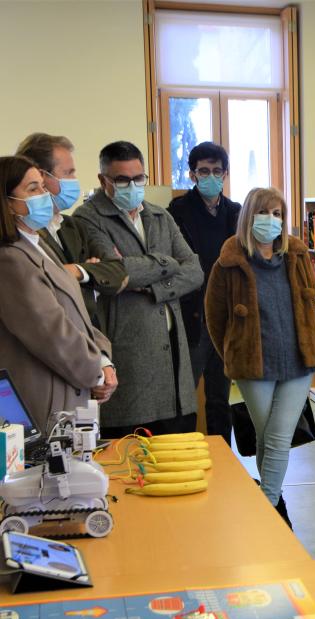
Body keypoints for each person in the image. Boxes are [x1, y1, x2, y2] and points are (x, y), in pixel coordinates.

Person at [204, 187, 315, 527]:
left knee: (279, 434)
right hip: (253, 366)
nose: (272, 221)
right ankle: (273, 499)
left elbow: (308, 304)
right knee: (266, 433)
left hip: (298, 362)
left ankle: (268, 505)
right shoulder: (228, 264)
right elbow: (215, 318)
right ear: (248, 217)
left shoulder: (297, 256)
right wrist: (233, 352)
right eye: (264, 213)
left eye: (278, 214)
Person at [74, 141, 203, 438]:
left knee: (177, 455)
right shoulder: (88, 218)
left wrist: (153, 287)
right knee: (132, 461)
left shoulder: (159, 215)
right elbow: (112, 273)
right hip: (129, 358)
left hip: (173, 359)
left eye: (138, 178)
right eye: (122, 180)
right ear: (103, 180)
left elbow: (194, 271)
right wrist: (167, 262)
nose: (132, 186)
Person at [0, 155, 116, 434]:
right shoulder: (10, 260)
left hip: (71, 389)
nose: (45, 194)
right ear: (7, 202)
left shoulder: (38, 245)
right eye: (33, 189)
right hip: (44, 398)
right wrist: (96, 373)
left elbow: (78, 316)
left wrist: (104, 360)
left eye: (42, 186)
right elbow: (51, 331)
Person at [168, 142, 241, 443]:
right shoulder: (178, 211)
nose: (210, 176)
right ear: (192, 174)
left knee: (219, 397)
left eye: (216, 171)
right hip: (192, 318)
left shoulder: (235, 212)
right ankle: (185, 452)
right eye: (203, 171)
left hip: (225, 320)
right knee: (186, 397)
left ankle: (222, 457)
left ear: (225, 174)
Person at [15, 133, 128, 328]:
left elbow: (119, 273)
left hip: (91, 340)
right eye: (68, 173)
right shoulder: (19, 233)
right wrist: (93, 279)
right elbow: (46, 295)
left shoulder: (73, 225)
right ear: (41, 176)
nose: (75, 180)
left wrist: (78, 271)